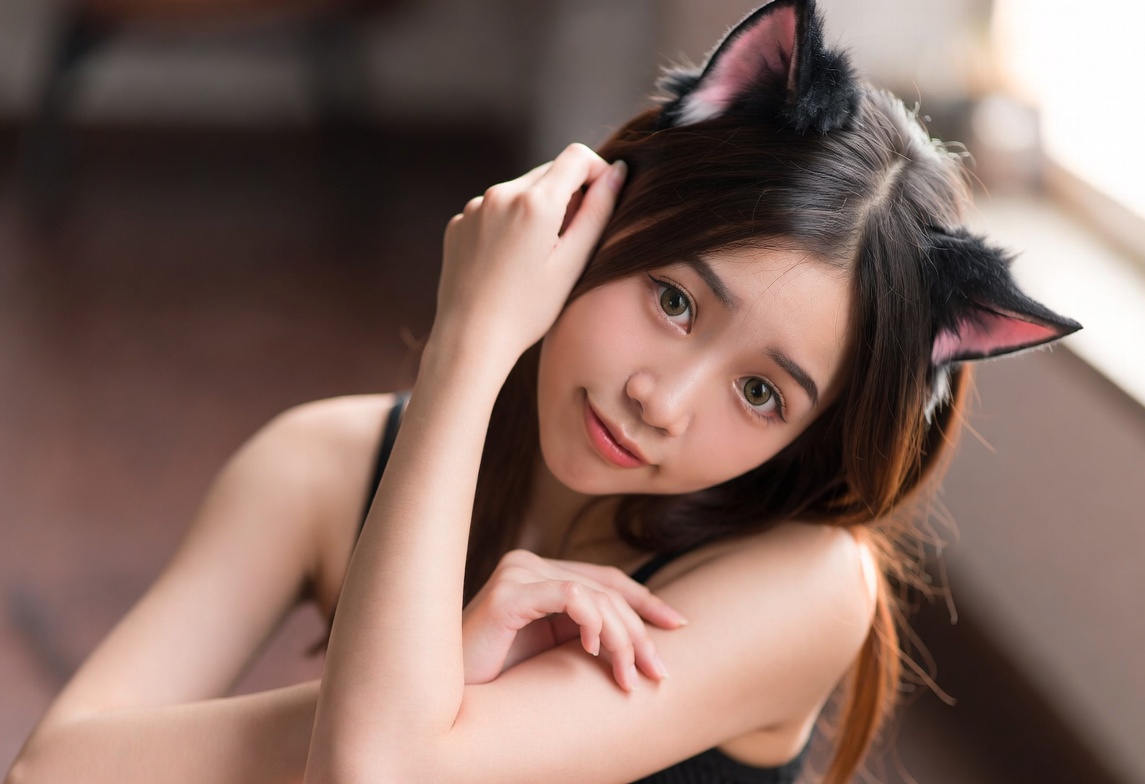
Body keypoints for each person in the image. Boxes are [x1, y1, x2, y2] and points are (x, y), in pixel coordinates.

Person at [6, 1, 1080, 783]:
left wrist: (438, 699)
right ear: (592, 210)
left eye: (762, 393)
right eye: (672, 300)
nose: (665, 399)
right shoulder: (320, 466)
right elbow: (55, 773)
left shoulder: (801, 584)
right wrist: (468, 346)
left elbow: (379, 771)